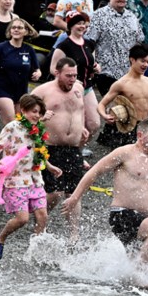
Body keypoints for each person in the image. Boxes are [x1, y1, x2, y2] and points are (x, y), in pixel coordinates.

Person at [63, 118, 148, 286]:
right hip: (122, 214)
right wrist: (75, 198)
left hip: (142, 218)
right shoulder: (125, 153)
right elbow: (94, 172)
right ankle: (141, 271)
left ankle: (133, 283)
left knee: (141, 255)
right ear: (140, 135)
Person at [0, 94, 63, 260]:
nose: (37, 115)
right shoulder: (12, 127)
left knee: (43, 215)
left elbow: (39, 152)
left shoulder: (38, 129)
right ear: (23, 110)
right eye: (33, 111)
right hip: (15, 180)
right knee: (22, 219)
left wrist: (50, 167)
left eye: (39, 112)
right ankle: (0, 238)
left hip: (35, 179)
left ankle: (35, 251)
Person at [31, 57, 89, 239]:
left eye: (75, 75)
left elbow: (81, 110)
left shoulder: (79, 88)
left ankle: (74, 234)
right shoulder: (42, 91)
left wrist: (83, 127)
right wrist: (40, 119)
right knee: (55, 192)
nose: (72, 79)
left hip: (73, 149)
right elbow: (24, 118)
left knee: (73, 192)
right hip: (51, 148)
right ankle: (40, 222)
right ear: (57, 73)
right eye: (68, 76)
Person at [97, 44, 148, 147]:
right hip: (128, 128)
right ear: (132, 60)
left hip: (145, 126)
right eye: (142, 61)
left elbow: (147, 107)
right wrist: (105, 116)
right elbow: (101, 104)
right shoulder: (121, 83)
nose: (145, 65)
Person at [50, 11, 101, 138]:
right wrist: (69, 80)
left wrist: (96, 67)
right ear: (71, 26)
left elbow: (92, 63)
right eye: (78, 23)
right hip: (70, 89)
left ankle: (80, 148)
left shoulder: (89, 44)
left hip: (87, 87)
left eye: (84, 23)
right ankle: (74, 150)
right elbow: (53, 69)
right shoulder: (64, 45)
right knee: (76, 124)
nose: (82, 26)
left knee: (94, 123)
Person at [85, 0, 144, 95]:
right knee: (112, 108)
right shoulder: (99, 15)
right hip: (107, 72)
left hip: (128, 72)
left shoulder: (132, 17)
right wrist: (92, 64)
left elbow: (139, 41)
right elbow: (89, 42)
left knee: (127, 107)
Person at [0, 18, 41, 125]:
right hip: (1, 90)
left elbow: (37, 69)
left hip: (20, 92)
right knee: (11, 123)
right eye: (13, 27)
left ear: (26, 31)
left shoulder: (29, 50)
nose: (16, 30)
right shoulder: (0, 48)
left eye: (20, 28)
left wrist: (38, 73)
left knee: (20, 124)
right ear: (10, 31)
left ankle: (2, 141)